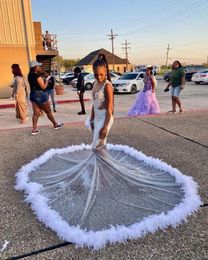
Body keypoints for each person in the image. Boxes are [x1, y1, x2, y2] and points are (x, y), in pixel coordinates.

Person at [15, 56, 201, 249]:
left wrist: (103, 126)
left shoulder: (108, 86)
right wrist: (93, 118)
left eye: (102, 74)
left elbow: (110, 108)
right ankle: (106, 173)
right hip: (98, 118)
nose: (100, 77)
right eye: (96, 74)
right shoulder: (95, 84)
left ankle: (108, 174)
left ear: (107, 72)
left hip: (107, 119)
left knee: (96, 147)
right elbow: (95, 104)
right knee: (99, 148)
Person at [28, 61, 63, 135]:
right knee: (48, 111)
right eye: (39, 67)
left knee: (36, 113)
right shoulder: (38, 76)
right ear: (35, 67)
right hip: (40, 95)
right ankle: (55, 125)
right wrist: (46, 81)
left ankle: (34, 129)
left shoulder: (29, 75)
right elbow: (43, 87)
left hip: (33, 95)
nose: (40, 68)